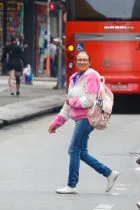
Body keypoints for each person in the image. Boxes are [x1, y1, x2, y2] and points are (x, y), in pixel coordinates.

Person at [48, 51, 119, 194]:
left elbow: (89, 101)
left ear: (89, 62)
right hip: (79, 119)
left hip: (87, 118)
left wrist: (71, 101)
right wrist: (56, 122)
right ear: (75, 62)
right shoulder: (74, 78)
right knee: (81, 152)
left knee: (74, 150)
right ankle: (109, 173)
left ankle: (71, 185)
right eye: (79, 59)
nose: (82, 62)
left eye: (85, 60)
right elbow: (67, 106)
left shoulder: (92, 76)